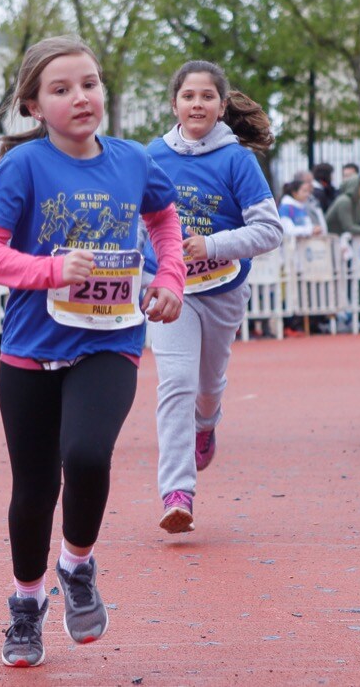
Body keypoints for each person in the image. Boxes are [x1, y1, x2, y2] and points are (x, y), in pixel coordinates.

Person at [0, 35, 185, 666]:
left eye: (89, 83)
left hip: (110, 340)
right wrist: (51, 269)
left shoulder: (132, 160)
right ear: (34, 106)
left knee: (87, 455)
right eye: (61, 89)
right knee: (33, 489)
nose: (81, 97)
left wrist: (168, 279)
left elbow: (165, 221)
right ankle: (26, 603)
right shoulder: (24, 166)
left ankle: (79, 565)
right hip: (32, 347)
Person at [144, 59, 283, 535]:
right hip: (169, 289)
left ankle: (207, 424)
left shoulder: (237, 159)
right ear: (174, 104)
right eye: (188, 96)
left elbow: (269, 231)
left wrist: (213, 245)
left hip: (222, 288)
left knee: (207, 385)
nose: (197, 104)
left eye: (207, 96)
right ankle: (177, 493)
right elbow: (131, 218)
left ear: (222, 106)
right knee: (176, 384)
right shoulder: (151, 157)